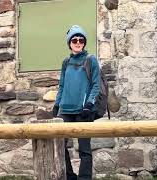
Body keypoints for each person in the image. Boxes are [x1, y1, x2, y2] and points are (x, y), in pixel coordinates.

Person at [52, 25, 100, 180]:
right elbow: (62, 85)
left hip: (83, 111)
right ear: (69, 43)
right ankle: (70, 176)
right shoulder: (66, 62)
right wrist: (56, 105)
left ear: (84, 42)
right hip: (65, 110)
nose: (78, 42)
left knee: (84, 149)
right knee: (60, 146)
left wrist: (89, 105)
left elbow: (96, 85)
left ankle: (84, 178)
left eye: (81, 40)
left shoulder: (90, 60)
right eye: (74, 40)